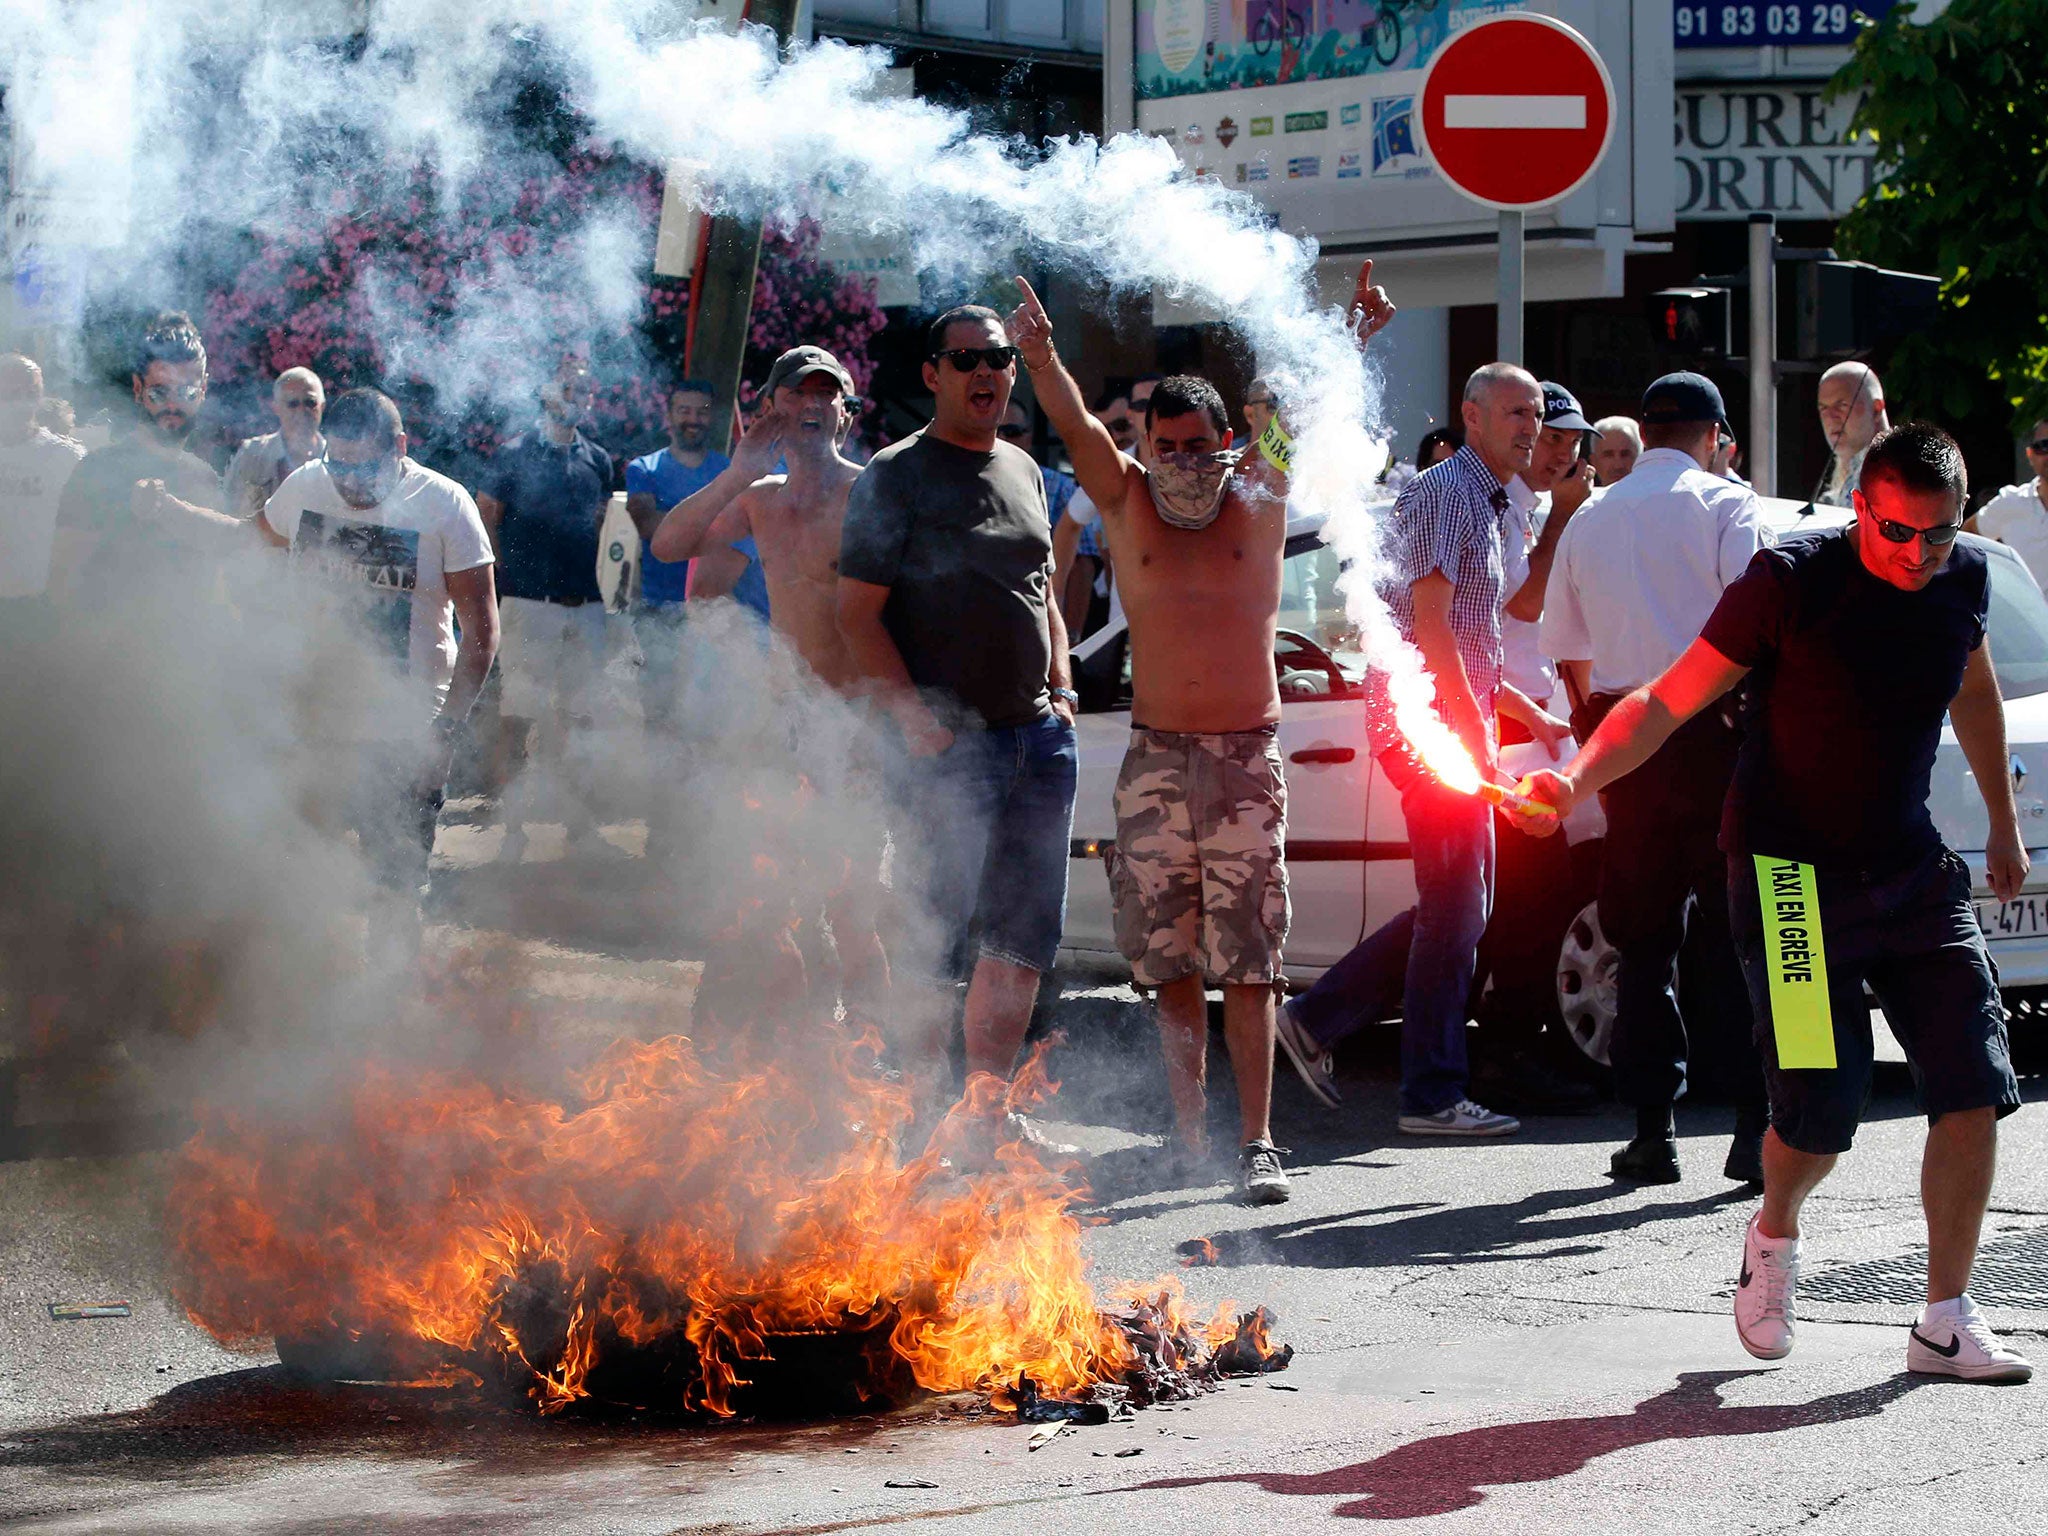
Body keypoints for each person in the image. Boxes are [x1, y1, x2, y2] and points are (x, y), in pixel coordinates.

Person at [1512, 422, 2032, 1382]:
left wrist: (2001, 821)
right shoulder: (1789, 583)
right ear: (1861, 509)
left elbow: (1974, 692)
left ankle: (1944, 1320)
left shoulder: (1961, 585)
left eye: (1940, 533)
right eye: (1897, 532)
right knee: (1819, 1105)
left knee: (1973, 1084)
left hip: (1910, 870)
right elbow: (1664, 703)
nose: (1919, 555)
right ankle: (1773, 1235)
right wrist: (1572, 782)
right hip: (1788, 877)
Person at [1009, 262, 1391, 1203]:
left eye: (1197, 443)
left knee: (1252, 962)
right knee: (1171, 961)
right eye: (1165, 443)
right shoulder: (1126, 499)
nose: (1181, 460)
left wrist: (1350, 333)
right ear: (1147, 441)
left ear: (1225, 441)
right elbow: (1074, 426)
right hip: (1154, 761)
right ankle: (1190, 1139)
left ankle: (1256, 1142)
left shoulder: (1257, 498)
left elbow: (1299, 414)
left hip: (1244, 758)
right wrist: (1043, 354)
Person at [1273, 364, 1567, 1138]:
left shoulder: (1488, 500)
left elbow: (1471, 638)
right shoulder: (1447, 492)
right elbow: (1431, 630)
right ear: (1471, 415)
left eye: (1535, 413)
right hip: (1429, 731)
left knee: (1457, 910)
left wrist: (1526, 711)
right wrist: (1472, 733)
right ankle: (1430, 1094)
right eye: (1514, 412)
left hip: (1448, 724)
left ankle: (1313, 1019)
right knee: (1456, 913)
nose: (1529, 427)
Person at [836, 302, 1078, 1143]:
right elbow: (855, 615)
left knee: (1021, 939)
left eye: (1000, 358)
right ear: (932, 373)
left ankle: (985, 1114)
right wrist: (915, 720)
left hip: (1037, 742)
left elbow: (1040, 588)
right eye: (966, 358)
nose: (986, 371)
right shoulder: (894, 474)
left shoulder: (1024, 467)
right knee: (934, 938)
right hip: (948, 751)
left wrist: (1063, 684)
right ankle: (915, 1119)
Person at [1539, 372, 1773, 1185]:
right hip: (1715, 727)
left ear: (1645, 429)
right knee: (1742, 934)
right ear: (1713, 435)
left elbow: (1565, 649)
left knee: (1642, 939)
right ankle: (1754, 1129)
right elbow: (1757, 624)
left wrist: (1595, 737)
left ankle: (1652, 1130)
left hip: (1626, 733)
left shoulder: (1593, 516)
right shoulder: (1727, 505)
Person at [653, 346, 888, 1020]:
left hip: (858, 723)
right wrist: (738, 472)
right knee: (766, 897)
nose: (811, 405)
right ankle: (787, 1053)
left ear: (847, 414)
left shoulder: (872, 490)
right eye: (796, 394)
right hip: (784, 728)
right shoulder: (757, 501)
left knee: (854, 910)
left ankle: (870, 1064)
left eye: (826, 394)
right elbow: (670, 545)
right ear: (770, 411)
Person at [255, 388, 499, 962]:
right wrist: (169, 513)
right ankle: (298, 1004)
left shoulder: (444, 503)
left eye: (363, 466)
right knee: (294, 872)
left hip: (404, 733)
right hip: (312, 722)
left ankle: (387, 1018)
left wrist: (445, 731)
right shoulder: (307, 485)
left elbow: (482, 632)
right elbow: (250, 536)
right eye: (336, 463)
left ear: (399, 447)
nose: (348, 481)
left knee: (394, 889)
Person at [1472, 381, 1600, 1113]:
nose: (1561, 452)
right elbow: (1519, 605)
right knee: (1524, 896)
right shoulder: (1505, 511)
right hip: (1500, 734)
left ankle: (1509, 1046)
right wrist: (1565, 523)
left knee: (1519, 901)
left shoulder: (1532, 510)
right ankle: (1503, 1051)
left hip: (1535, 732)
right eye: (1549, 436)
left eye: (1569, 440)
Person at [478, 358, 616, 860]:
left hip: (586, 607)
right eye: (567, 385)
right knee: (519, 717)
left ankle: (577, 831)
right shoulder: (513, 453)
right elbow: (485, 516)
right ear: (546, 391)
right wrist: (498, 586)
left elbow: (602, 530)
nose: (577, 393)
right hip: (527, 604)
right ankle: (512, 834)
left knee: (581, 719)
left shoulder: (599, 460)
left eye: (585, 386)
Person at [49, 311, 237, 602]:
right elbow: (61, 579)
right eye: (160, 393)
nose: (173, 405)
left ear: (203, 390)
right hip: (111, 642)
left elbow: (214, 578)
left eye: (187, 392)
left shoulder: (204, 476)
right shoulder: (97, 470)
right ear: (138, 389)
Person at [623, 378, 732, 849]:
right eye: (684, 411)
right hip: (658, 612)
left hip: (715, 614)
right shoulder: (642, 469)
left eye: (701, 411)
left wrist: (685, 524)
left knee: (709, 722)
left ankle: (703, 831)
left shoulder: (727, 469)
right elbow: (650, 528)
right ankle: (661, 829)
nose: (693, 419)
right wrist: (706, 527)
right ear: (670, 417)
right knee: (662, 720)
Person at [0, 355, 86, 612]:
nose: (22, 401)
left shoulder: (66, 458)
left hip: (38, 604)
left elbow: (83, 531)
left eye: (31, 392)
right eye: (12, 392)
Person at [223, 367, 326, 521]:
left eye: (310, 402)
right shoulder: (252, 455)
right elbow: (227, 510)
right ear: (276, 408)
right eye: (292, 403)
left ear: (322, 406)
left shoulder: (336, 460)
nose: (301, 410)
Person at [1965, 416, 2048, 587]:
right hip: (2026, 613)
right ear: (2030, 455)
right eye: (2043, 446)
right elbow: (1967, 538)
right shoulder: (2011, 503)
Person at [1814, 361, 1888, 508]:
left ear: (1876, 409)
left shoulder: (1893, 472)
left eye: (1842, 406)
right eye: (1823, 408)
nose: (1830, 417)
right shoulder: (1852, 472)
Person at [1591, 416, 1642, 487]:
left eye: (1625, 455)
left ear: (1641, 458)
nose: (1618, 466)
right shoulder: (1582, 498)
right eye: (1609, 455)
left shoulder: (1658, 496)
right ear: (1593, 461)